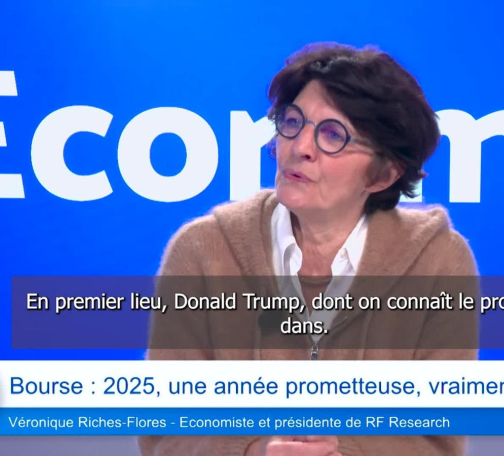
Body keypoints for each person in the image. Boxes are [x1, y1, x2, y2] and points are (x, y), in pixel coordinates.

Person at [140, 42, 478, 456]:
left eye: (333, 135)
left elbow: (438, 441)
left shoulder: (439, 262)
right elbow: (165, 434)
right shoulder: (201, 251)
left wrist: (341, 451)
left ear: (383, 175)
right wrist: (256, 450)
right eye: (293, 121)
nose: (299, 146)